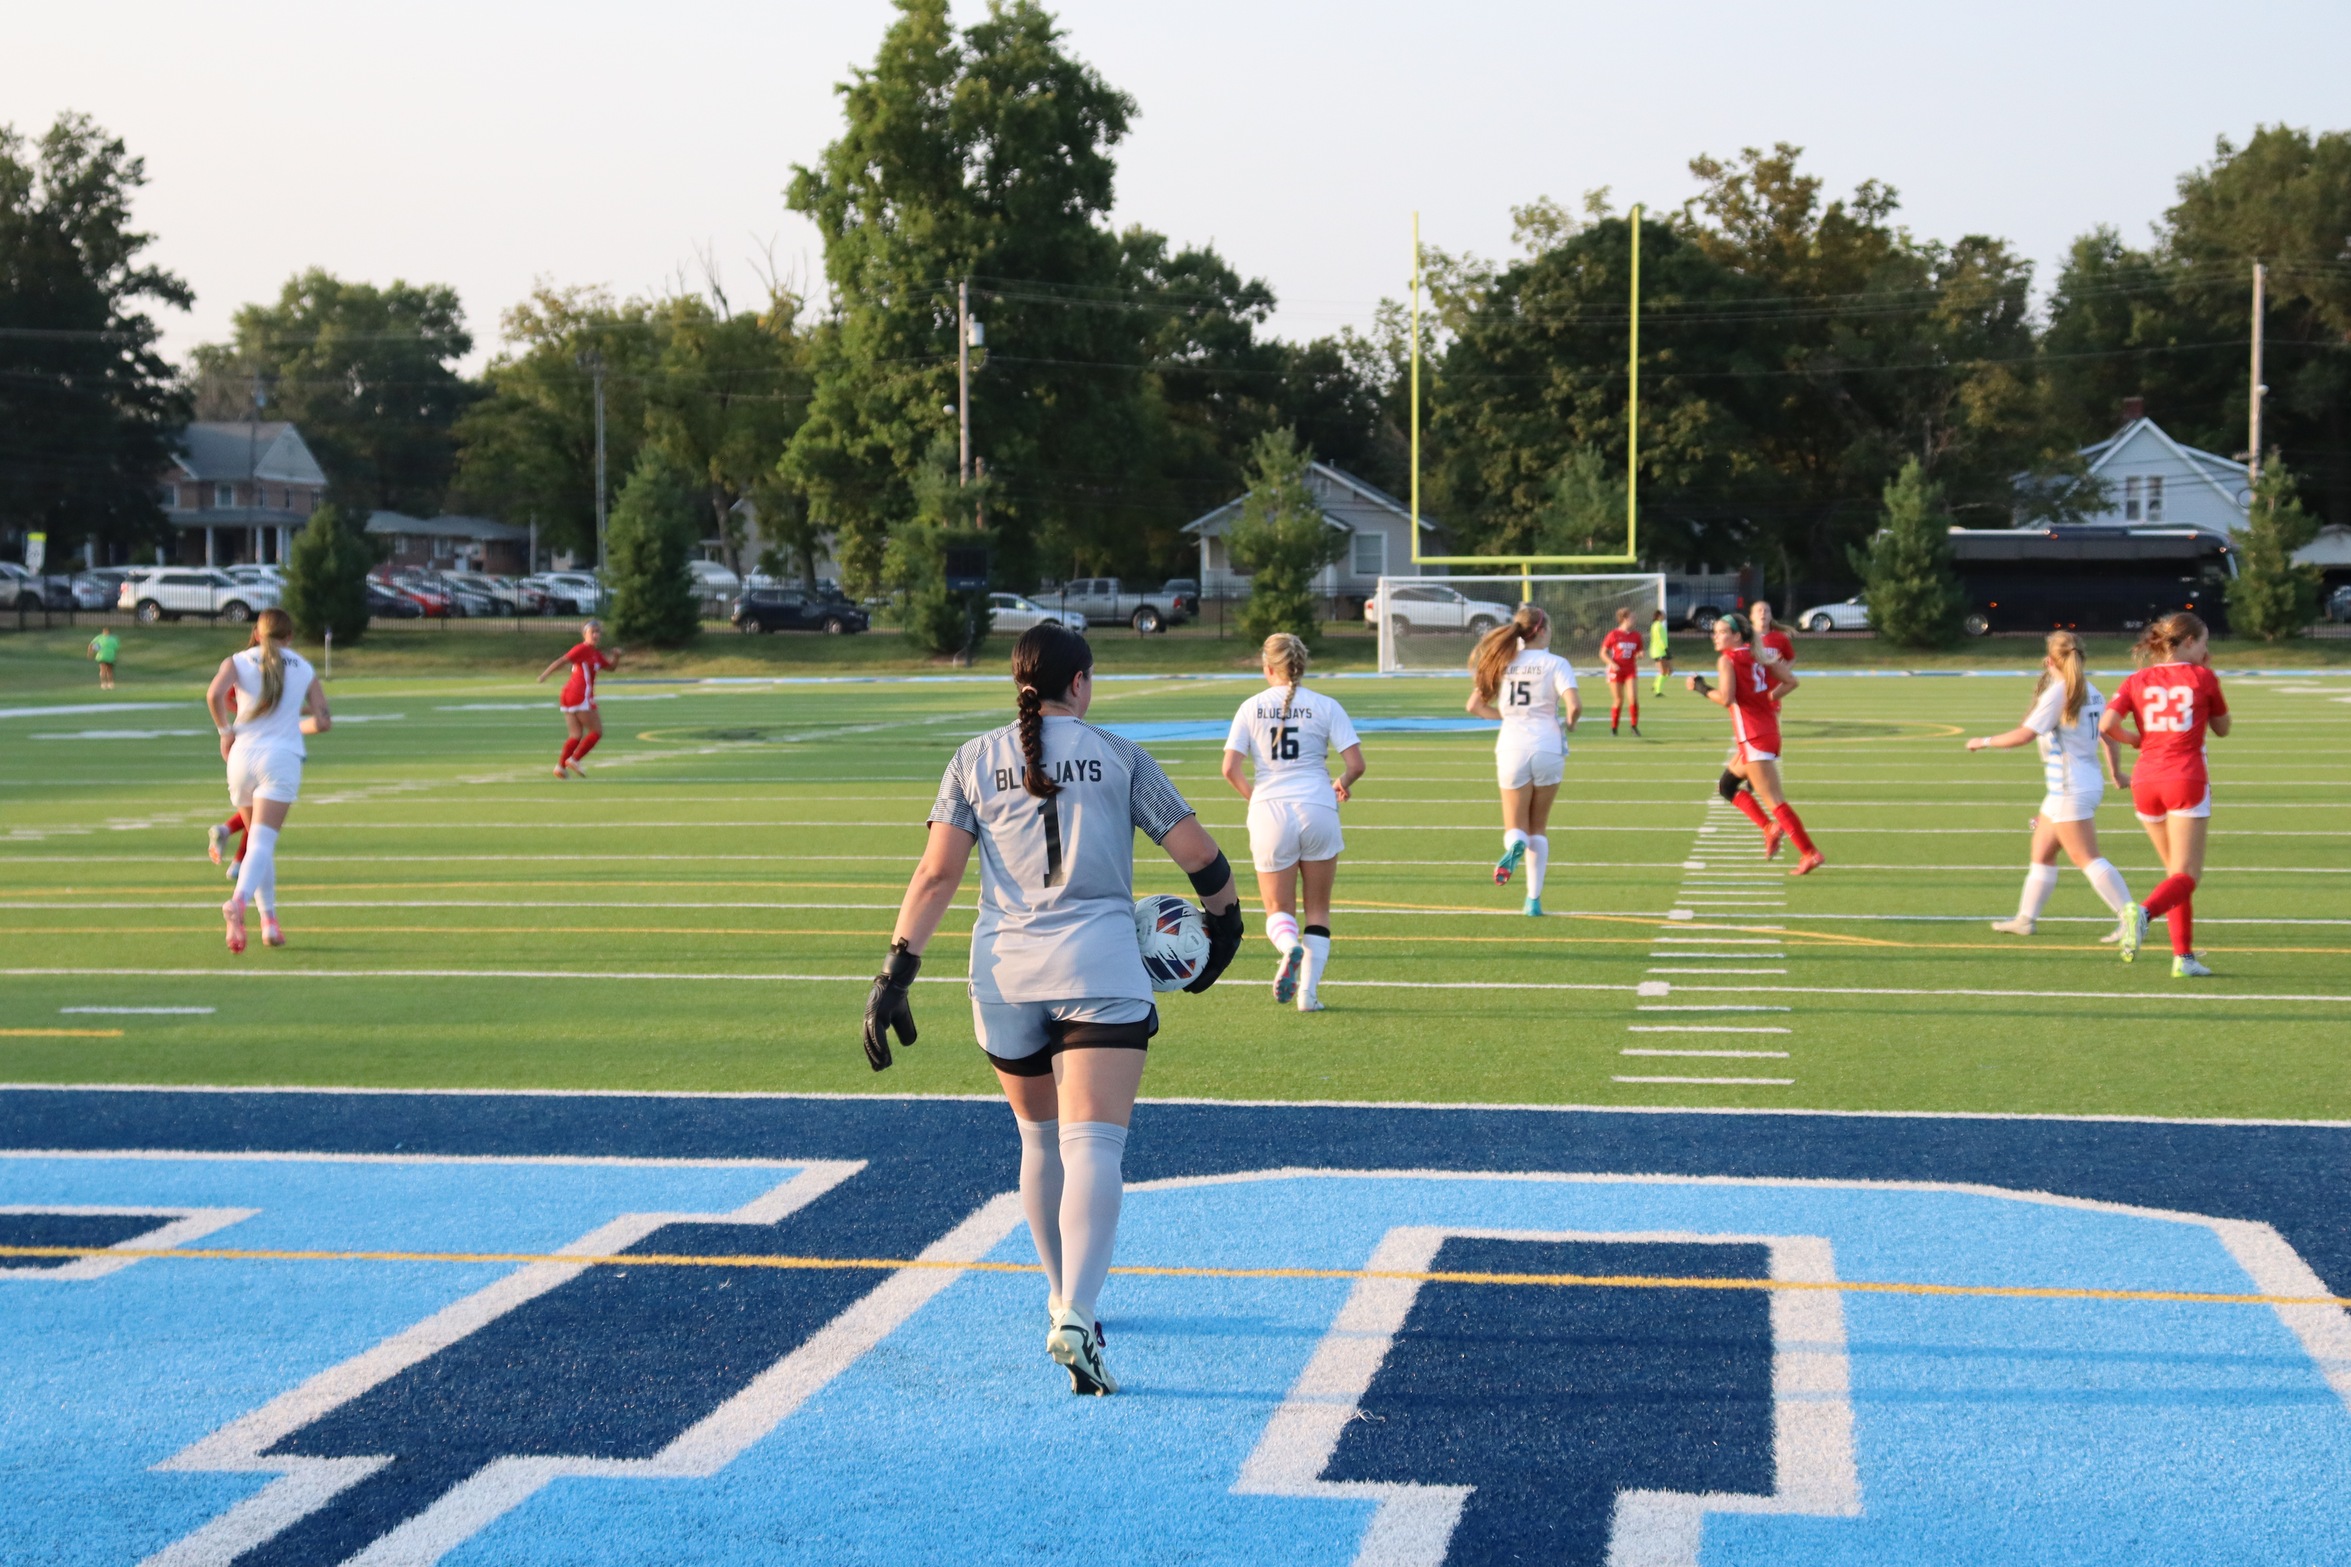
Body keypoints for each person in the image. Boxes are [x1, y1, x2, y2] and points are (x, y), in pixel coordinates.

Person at [866, 623, 1243, 1395]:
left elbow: (936, 875)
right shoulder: (1118, 754)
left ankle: (1058, 1298)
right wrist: (1227, 928)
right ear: (1080, 683)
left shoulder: (971, 759)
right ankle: (1078, 1311)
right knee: (1094, 1148)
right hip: (1099, 966)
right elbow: (1200, 855)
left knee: (1038, 1142)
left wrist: (893, 974)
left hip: (1003, 975)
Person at [1220, 633, 1366, 1011]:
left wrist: (1258, 800)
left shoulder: (1251, 706)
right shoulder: (1325, 705)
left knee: (1277, 910)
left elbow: (1229, 769)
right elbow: (1356, 765)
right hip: (1318, 807)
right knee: (1318, 909)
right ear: (1301, 665)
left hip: (1270, 811)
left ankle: (1288, 947)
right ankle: (1308, 995)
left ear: (1267, 667)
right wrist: (1341, 784)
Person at [1964, 631, 2135, 937]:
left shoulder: (2059, 692)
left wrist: (1983, 741)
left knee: (2086, 857)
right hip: (2072, 786)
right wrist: (2116, 774)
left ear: (2050, 660)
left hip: (2070, 788)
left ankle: (2131, 916)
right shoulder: (2091, 690)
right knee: (2042, 852)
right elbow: (2109, 738)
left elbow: (2024, 735)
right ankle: (2025, 919)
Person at [2101, 611, 2231, 977]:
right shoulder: (2202, 677)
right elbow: (2223, 728)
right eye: (2204, 643)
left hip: (2145, 781)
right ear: (2189, 642)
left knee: (2174, 875)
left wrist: (2137, 740)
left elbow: (2108, 725)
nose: (2207, 651)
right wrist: (2208, 675)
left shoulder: (2136, 678)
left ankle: (2183, 958)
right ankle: (2142, 914)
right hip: (2185, 778)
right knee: (2187, 875)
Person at [203, 608, 330, 952]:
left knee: (259, 846)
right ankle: (238, 903)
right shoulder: (302, 667)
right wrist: (294, 727)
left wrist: (224, 731)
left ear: (257, 633)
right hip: (280, 759)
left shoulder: (238, 660)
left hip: (241, 757)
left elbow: (214, 695)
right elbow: (322, 721)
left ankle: (268, 921)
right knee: (261, 843)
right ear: (289, 637)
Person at [1466, 604, 1581, 916]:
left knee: (1515, 827)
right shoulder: (1556, 663)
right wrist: (1570, 724)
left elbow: (1474, 705)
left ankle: (1513, 845)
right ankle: (1533, 900)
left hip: (1512, 745)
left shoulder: (1503, 660)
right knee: (1538, 828)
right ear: (1541, 631)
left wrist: (1505, 716)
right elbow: (1574, 706)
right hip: (1548, 746)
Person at [1689, 612, 1823, 875]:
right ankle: (1769, 828)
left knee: (1775, 801)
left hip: (1753, 737)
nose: (1715, 636)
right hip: (1765, 732)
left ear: (1737, 635)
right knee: (1726, 785)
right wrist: (1766, 698)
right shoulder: (1758, 653)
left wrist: (1700, 687)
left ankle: (1809, 852)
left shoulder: (1727, 659)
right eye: (1714, 632)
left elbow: (1727, 698)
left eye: (1722, 632)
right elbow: (1791, 680)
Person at [536, 621, 619, 777]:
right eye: (592, 631)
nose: (596, 635)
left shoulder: (596, 653)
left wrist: (616, 657)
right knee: (596, 731)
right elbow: (562, 660)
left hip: (569, 694)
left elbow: (611, 668)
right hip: (579, 694)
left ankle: (560, 766)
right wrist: (545, 675)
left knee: (575, 735)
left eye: (598, 632)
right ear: (584, 634)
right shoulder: (582, 649)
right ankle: (574, 759)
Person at [1599, 608, 1644, 735]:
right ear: (1624, 619)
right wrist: (1612, 663)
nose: (1634, 619)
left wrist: (1640, 654)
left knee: (1633, 698)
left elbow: (1640, 651)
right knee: (1619, 700)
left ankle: (1634, 726)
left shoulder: (1636, 635)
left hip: (1630, 669)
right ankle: (1614, 727)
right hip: (1616, 671)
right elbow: (1602, 653)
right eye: (1632, 617)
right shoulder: (1613, 634)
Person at [1646, 609, 1674, 696]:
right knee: (1664, 671)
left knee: (1669, 670)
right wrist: (1666, 649)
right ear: (1659, 616)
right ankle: (1658, 691)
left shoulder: (1657, 625)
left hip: (1661, 651)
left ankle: (1655, 685)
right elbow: (1660, 639)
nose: (1665, 615)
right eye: (1663, 614)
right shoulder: (1657, 626)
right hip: (1659, 651)